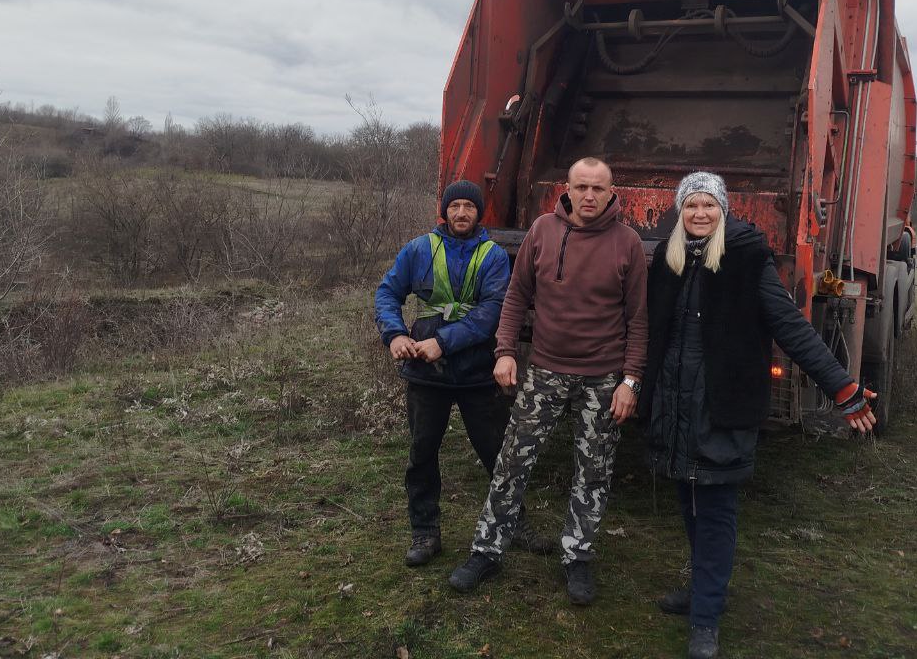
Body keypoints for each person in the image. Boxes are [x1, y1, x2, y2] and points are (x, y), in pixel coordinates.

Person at [639, 171, 877, 659]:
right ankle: (706, 589)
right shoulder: (668, 258)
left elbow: (790, 326)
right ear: (679, 212)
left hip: (720, 405)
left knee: (715, 510)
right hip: (675, 402)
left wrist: (841, 386)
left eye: (708, 205)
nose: (700, 213)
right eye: (691, 205)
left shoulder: (747, 258)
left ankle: (706, 619)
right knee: (688, 501)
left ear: (723, 210)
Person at [448, 157, 648, 605]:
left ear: (612, 193)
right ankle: (486, 550)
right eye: (582, 187)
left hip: (603, 379)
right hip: (545, 372)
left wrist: (631, 380)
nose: (589, 196)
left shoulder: (628, 243)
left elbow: (638, 318)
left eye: (598, 188)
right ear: (568, 189)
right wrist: (504, 351)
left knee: (593, 472)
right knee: (511, 462)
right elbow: (516, 295)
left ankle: (577, 557)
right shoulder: (542, 230)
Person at [376, 179, 534, 567]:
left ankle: (514, 523)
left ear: (479, 213)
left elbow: (492, 312)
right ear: (444, 211)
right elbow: (387, 293)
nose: (461, 213)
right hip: (425, 373)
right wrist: (395, 334)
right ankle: (425, 532)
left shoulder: (493, 256)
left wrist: (442, 342)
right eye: (454, 206)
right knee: (422, 452)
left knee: (498, 452)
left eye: (469, 206)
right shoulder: (419, 249)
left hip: (477, 372)